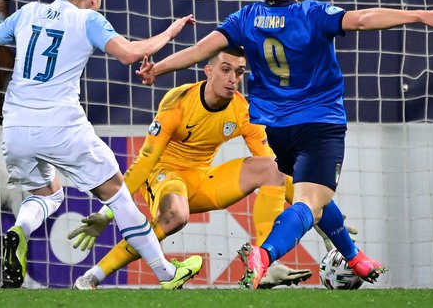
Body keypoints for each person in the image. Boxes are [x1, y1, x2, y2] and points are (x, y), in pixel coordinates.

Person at [135, 0, 433, 289]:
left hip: (278, 129)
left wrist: (158, 68)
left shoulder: (245, 18)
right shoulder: (312, 13)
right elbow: (364, 19)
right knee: (309, 201)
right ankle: (265, 253)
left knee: (315, 195)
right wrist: (419, 15)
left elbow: (201, 50)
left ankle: (354, 257)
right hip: (320, 124)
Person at [0, 0, 202, 289]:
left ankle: (18, 231)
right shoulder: (88, 19)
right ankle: (167, 273)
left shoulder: (28, 12)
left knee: (48, 195)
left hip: (16, 126)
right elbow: (131, 54)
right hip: (61, 125)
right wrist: (170, 32)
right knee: (118, 195)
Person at [68, 47, 313, 290]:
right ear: (208, 71)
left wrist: (313, 206)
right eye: (225, 70)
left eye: (238, 72)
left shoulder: (242, 111)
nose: (232, 79)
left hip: (201, 179)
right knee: (176, 215)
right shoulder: (178, 103)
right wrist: (106, 213)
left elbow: (278, 170)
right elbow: (144, 163)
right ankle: (92, 276)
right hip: (163, 176)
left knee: (271, 167)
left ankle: (265, 265)